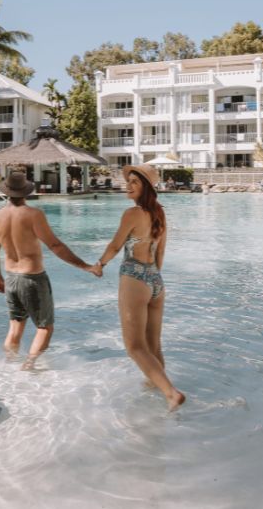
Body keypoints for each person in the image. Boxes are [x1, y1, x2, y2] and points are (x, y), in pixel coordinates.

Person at [93, 164, 185, 412]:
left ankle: (171, 393)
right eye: (129, 180)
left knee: (134, 347)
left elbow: (115, 245)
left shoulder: (132, 214)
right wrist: (152, 276)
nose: (128, 185)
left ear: (145, 187)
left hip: (134, 277)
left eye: (134, 181)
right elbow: (161, 252)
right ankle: (155, 392)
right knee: (153, 346)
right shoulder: (160, 213)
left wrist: (99, 264)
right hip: (156, 281)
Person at [0, 171, 98, 369]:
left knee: (15, 325)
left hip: (11, 278)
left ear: (7, 192)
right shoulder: (33, 215)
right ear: (26, 192)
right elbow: (55, 246)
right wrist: (86, 266)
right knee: (44, 327)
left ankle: (9, 366)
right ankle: (29, 365)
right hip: (32, 278)